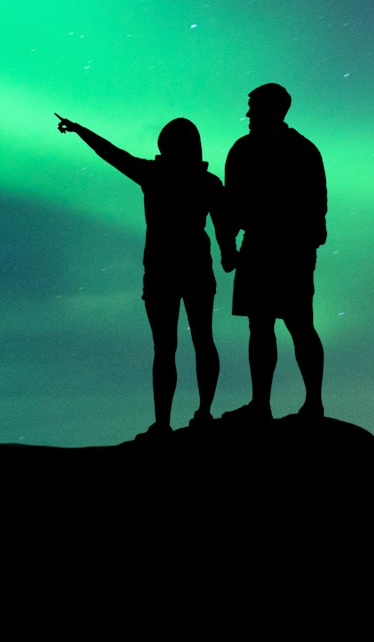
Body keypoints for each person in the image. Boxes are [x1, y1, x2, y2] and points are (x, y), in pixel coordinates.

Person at [54, 111, 227, 437]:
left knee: (167, 347)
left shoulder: (155, 174)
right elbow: (224, 222)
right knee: (200, 340)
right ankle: (201, 413)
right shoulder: (205, 182)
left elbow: (112, 154)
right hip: (193, 268)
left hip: (163, 270)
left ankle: (164, 423)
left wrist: (80, 130)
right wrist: (230, 252)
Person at [218, 81, 328, 419]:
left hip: (286, 248)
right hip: (270, 247)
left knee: (295, 323)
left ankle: (307, 403)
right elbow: (231, 204)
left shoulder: (299, 150)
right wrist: (228, 244)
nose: (248, 113)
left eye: (255, 106)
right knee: (265, 325)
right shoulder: (260, 149)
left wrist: (230, 244)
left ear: (275, 108)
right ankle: (265, 404)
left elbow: (315, 208)